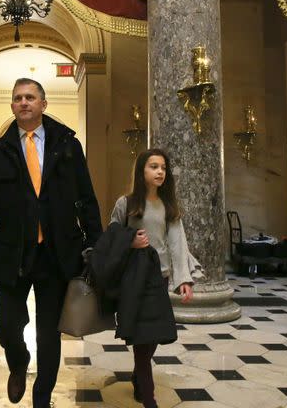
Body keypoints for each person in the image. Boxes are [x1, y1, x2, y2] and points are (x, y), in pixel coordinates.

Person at [0, 78, 102, 408]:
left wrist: (96, 245)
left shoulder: (68, 145)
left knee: (49, 331)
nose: (23, 102)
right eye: (17, 98)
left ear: (43, 104)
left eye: (30, 97)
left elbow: (86, 198)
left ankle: (42, 396)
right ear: (12, 106)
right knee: (6, 322)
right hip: (11, 252)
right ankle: (18, 361)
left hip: (56, 253)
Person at [109, 148, 202, 408]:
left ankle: (139, 376)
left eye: (163, 167)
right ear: (142, 171)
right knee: (142, 340)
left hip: (158, 279)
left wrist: (183, 279)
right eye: (153, 166)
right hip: (133, 280)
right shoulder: (125, 203)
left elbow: (177, 243)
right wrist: (130, 241)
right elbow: (111, 235)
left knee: (151, 338)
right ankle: (149, 399)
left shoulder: (168, 206)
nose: (160, 171)